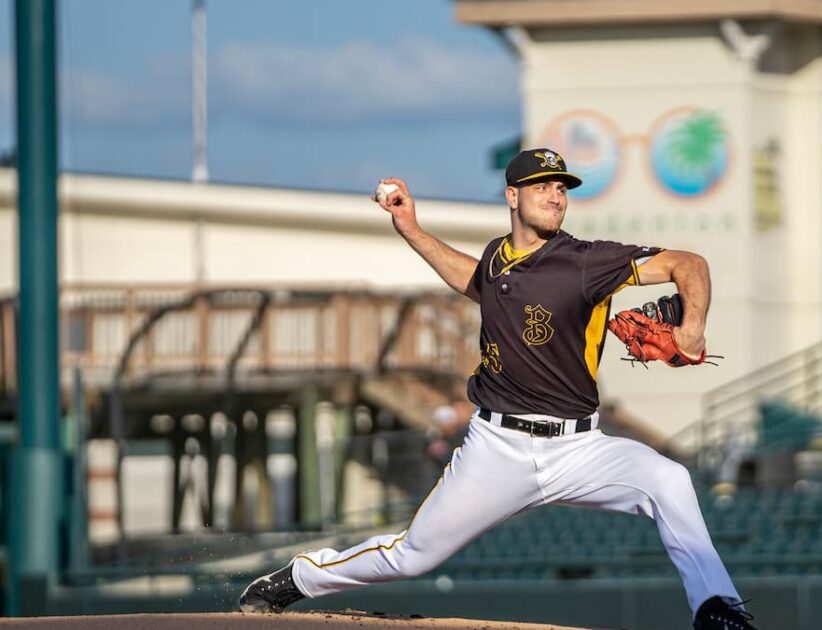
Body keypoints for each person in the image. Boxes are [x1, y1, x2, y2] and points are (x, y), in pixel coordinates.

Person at [239, 149, 758, 630]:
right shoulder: (497, 258)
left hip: (580, 448)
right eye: (542, 186)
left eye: (562, 187)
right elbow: (474, 280)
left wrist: (691, 327)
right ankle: (301, 577)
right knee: (412, 556)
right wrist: (411, 229)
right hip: (498, 449)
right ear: (513, 196)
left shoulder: (585, 261)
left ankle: (718, 609)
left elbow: (688, 264)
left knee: (669, 480)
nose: (555, 195)